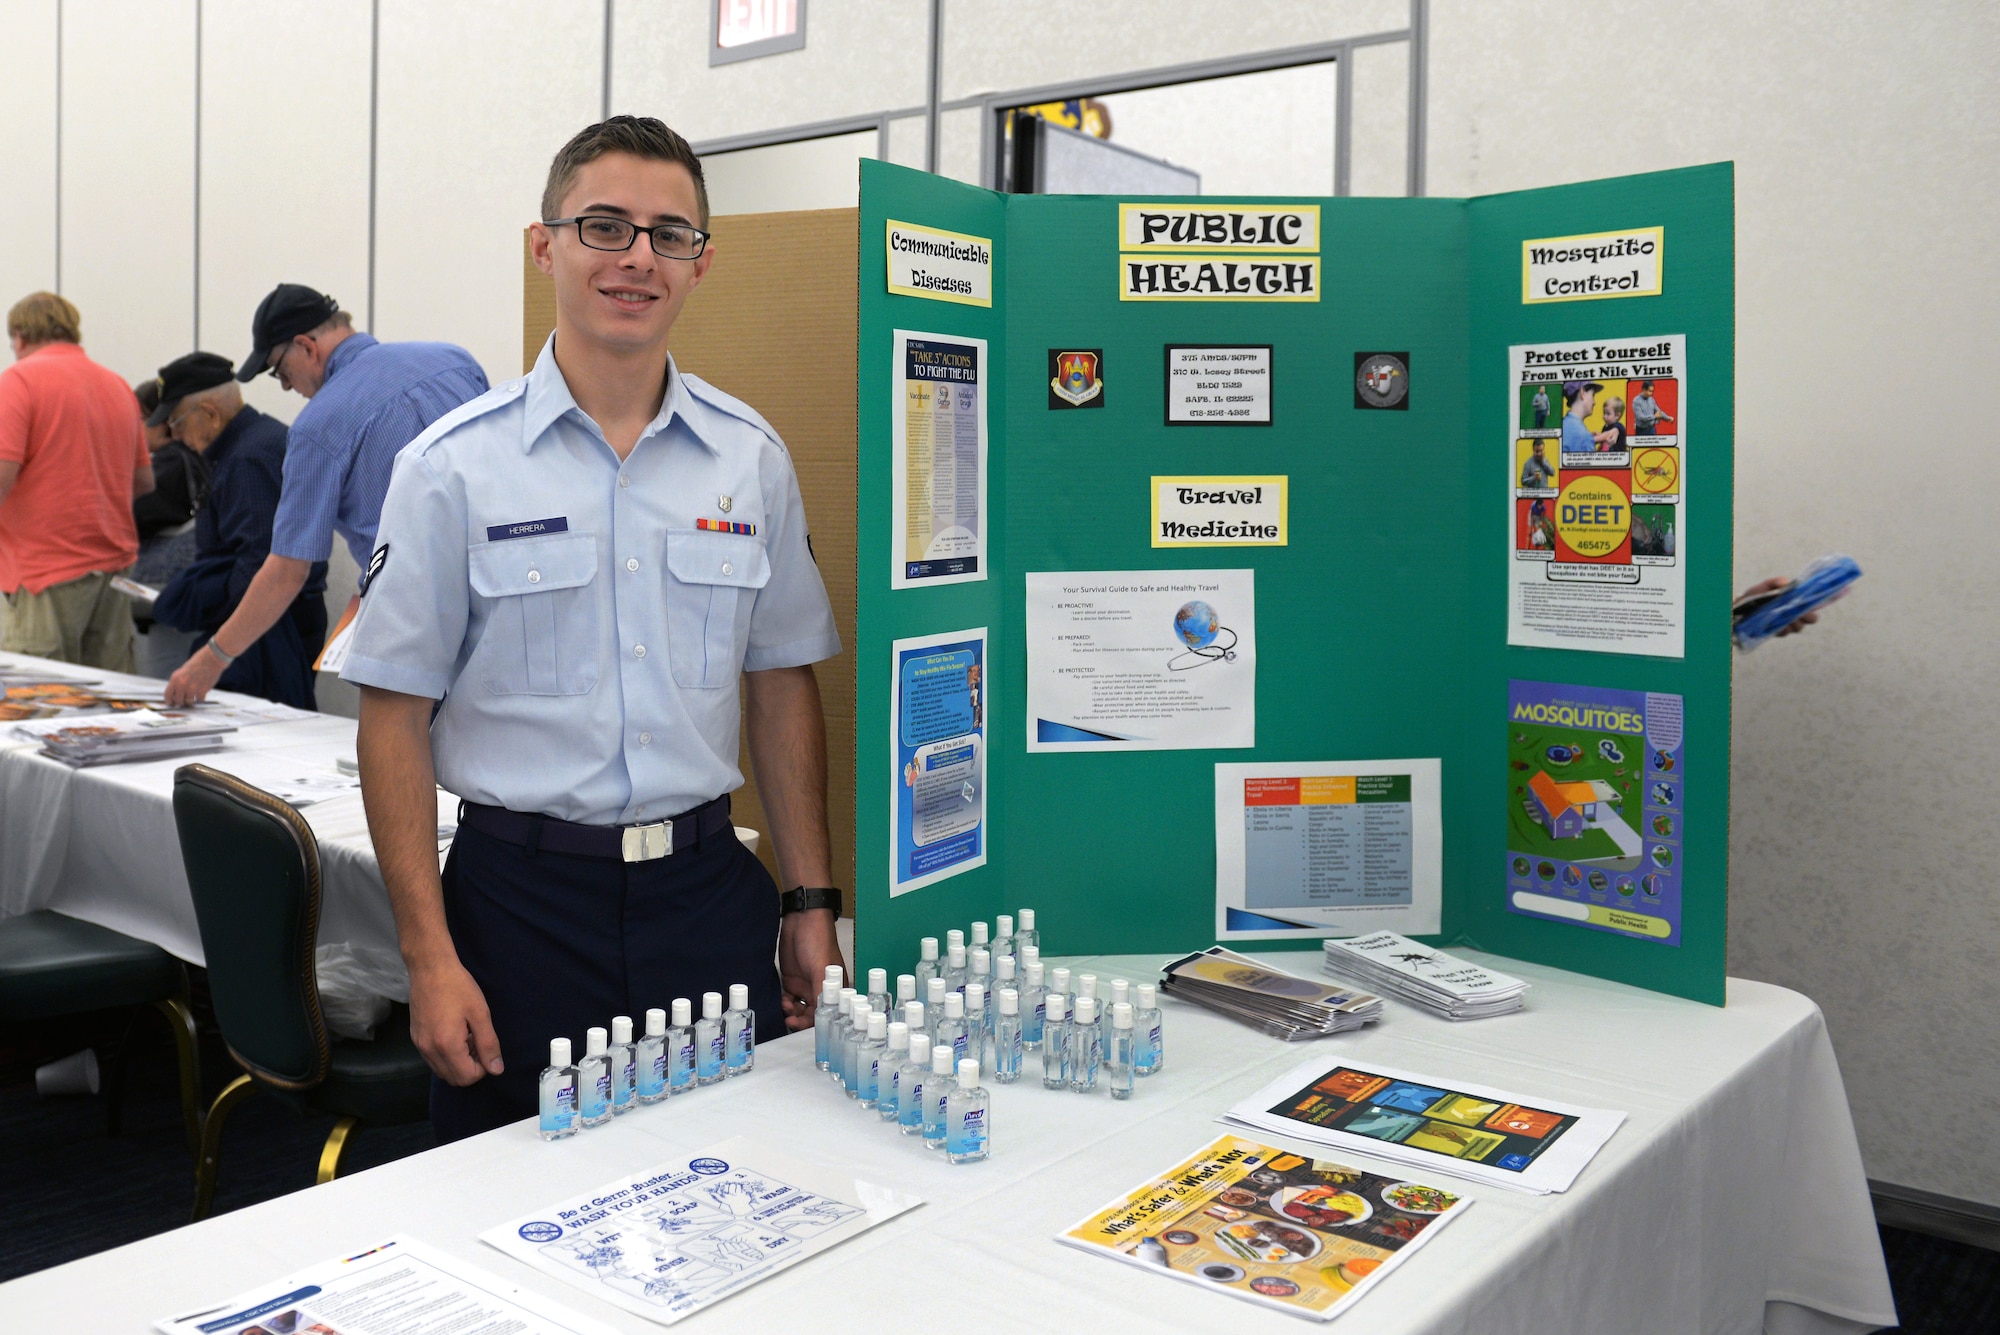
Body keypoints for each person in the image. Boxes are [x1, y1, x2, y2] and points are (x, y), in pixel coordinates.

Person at [342, 115, 845, 1140]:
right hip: (516, 911)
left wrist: (809, 901)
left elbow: (782, 680)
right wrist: (427, 957)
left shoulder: (747, 459)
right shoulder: (451, 467)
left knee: (732, 1186)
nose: (637, 259)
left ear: (701, 264)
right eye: (604, 227)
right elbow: (390, 715)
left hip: (707, 899)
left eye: (669, 235)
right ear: (547, 246)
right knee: (501, 1210)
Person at [161, 284, 486, 706]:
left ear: (305, 346)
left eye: (279, 371)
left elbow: (286, 572)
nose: (284, 387)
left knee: (422, 759)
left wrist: (212, 658)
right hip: (504, 591)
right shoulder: (453, 361)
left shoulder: (317, 427)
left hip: (418, 619)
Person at [147, 353, 329, 710]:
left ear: (211, 414)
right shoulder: (252, 442)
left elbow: (259, 562)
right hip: (272, 624)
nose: (176, 437)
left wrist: (218, 645)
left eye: (177, 424)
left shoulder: (248, 458)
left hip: (265, 630)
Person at [0, 292, 154, 670]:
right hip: (113, 572)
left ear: (19, 335)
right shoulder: (116, 385)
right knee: (109, 709)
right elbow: (143, 481)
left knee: (40, 707)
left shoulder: (17, 382)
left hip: (44, 572)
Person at [131, 378, 208, 678]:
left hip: (168, 592)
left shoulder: (169, 462)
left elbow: (134, 513)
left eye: (138, 420)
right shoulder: (195, 456)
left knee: (163, 680)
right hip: (191, 593)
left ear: (161, 421)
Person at [1560, 380, 1602, 456]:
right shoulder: (1583, 436)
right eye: (1593, 395)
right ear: (1582, 392)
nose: (1594, 402)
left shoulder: (1563, 424)